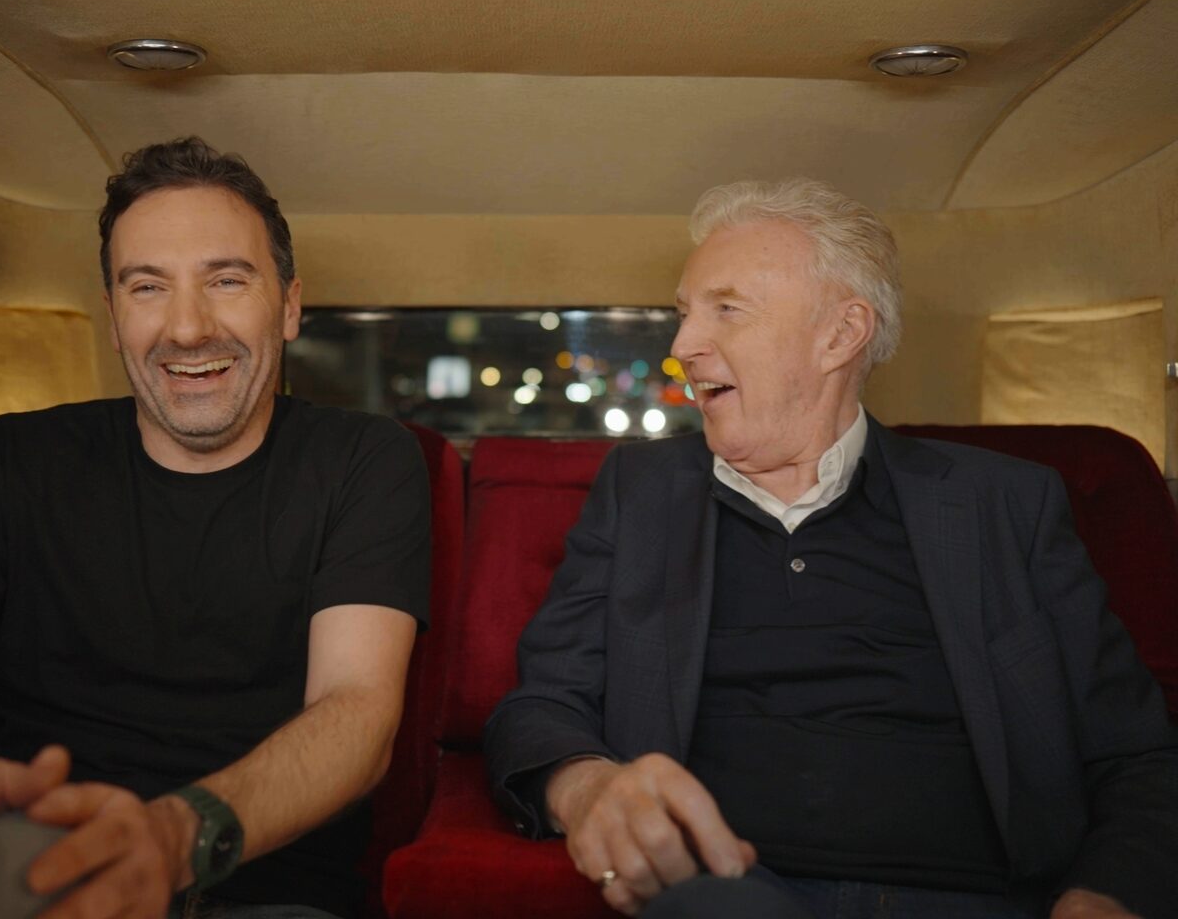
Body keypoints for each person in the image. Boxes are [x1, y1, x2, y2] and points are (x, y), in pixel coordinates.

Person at [484, 178, 1178, 919]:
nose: (682, 347)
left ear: (841, 335)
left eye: (727, 309)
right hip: (732, 891)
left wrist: (1105, 895)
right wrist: (590, 788)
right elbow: (542, 703)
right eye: (684, 314)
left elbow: (1134, 751)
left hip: (979, 894)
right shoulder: (641, 491)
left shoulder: (1005, 502)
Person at [0, 137, 430, 919]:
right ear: (114, 318)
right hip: (22, 870)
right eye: (148, 287)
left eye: (226, 280)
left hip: (260, 892)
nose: (186, 329)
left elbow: (358, 712)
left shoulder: (364, 459)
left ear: (288, 306)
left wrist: (175, 837)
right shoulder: (4, 460)